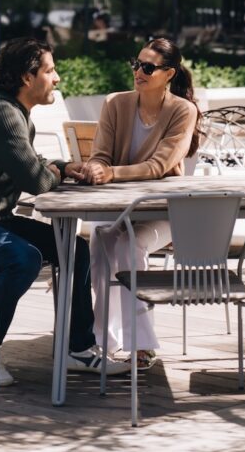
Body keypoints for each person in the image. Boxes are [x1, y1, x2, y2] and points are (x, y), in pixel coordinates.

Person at [0, 38, 130, 386]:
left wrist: (64, 168)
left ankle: (77, 348)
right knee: (23, 259)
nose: (57, 78)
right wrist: (54, 173)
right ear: (26, 77)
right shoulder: (2, 115)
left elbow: (33, 165)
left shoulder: (12, 113)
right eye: (50, 71)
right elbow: (37, 181)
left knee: (75, 250)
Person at [84, 37, 200, 368]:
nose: (139, 72)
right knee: (101, 242)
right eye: (136, 64)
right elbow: (100, 155)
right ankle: (102, 339)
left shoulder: (183, 111)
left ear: (169, 74)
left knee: (126, 247)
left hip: (164, 212)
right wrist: (95, 167)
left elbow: (159, 167)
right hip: (117, 209)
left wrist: (111, 173)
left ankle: (139, 344)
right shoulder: (115, 103)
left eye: (148, 67)